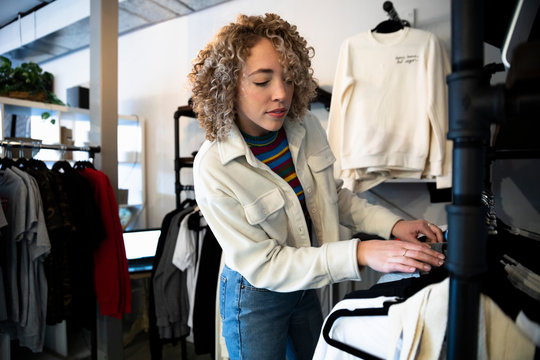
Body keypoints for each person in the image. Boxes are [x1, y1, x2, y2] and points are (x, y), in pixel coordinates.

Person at [189, 13, 446, 360]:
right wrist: (360, 252)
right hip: (255, 295)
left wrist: (395, 225)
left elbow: (333, 197)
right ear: (228, 84)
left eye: (290, 79)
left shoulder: (304, 126)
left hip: (308, 282)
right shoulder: (214, 166)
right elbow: (265, 265)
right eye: (263, 81)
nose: (281, 94)